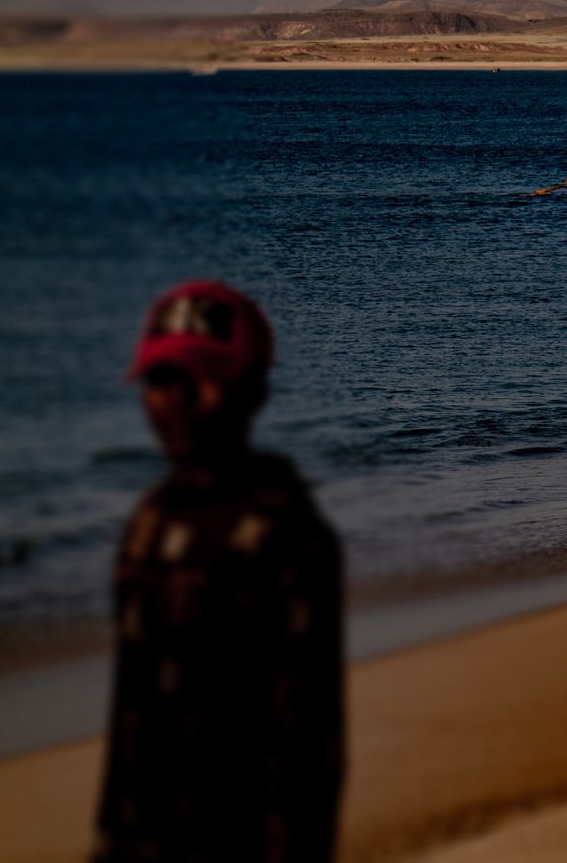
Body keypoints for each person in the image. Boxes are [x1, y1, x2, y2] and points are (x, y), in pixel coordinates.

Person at [95, 282, 344, 863]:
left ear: (252, 390)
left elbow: (307, 750)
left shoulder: (286, 538)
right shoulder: (149, 524)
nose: (176, 401)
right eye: (161, 381)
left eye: (200, 379)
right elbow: (132, 713)